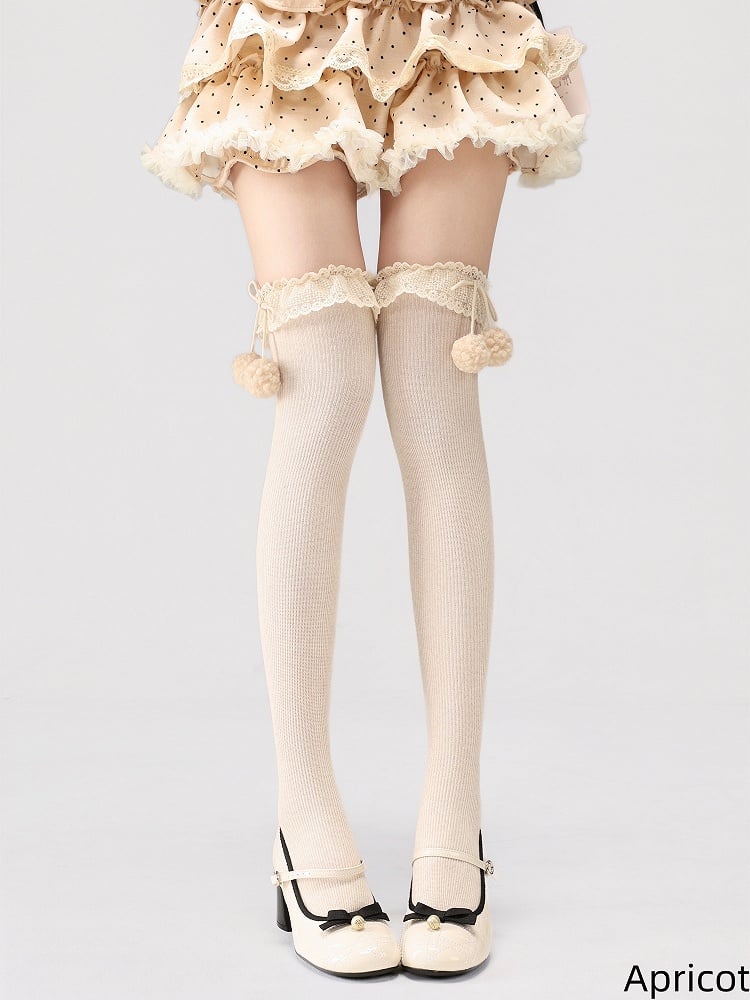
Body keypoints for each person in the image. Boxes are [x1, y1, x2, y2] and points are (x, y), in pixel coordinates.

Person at [141, 0, 587, 979]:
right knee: (326, 375)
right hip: (287, 20)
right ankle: (303, 817)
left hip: (455, 20)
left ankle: (453, 818)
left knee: (433, 377)